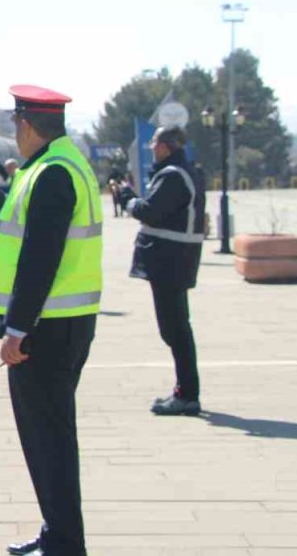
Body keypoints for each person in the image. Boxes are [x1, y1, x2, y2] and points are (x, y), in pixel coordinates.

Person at [0, 85, 101, 556]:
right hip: (61, 323)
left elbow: (40, 256)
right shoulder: (53, 166)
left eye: (15, 124)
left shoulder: (52, 174)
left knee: (48, 437)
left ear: (27, 125)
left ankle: (64, 544)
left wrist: (17, 329)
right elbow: (12, 216)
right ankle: (57, 533)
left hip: (46, 329)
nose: (14, 133)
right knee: (47, 435)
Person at [117, 126, 206, 416]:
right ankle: (185, 391)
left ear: (166, 147)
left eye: (154, 144)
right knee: (177, 328)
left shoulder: (172, 175)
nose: (152, 149)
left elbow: (150, 211)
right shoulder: (186, 171)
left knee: (175, 330)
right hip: (176, 259)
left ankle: (187, 395)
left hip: (169, 259)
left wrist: (127, 199)